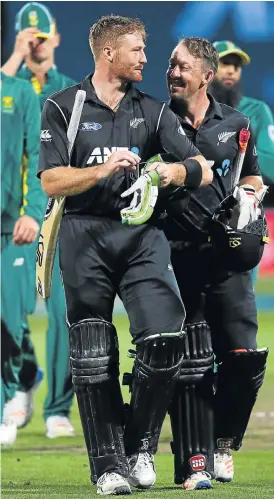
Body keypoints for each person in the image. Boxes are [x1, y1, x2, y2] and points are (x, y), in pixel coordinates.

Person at [38, 15, 213, 496]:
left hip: (141, 239)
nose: (145, 59)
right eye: (136, 50)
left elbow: (200, 167)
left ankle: (139, 448)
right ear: (108, 53)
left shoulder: (155, 112)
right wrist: (102, 171)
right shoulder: (63, 106)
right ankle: (107, 468)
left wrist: (165, 174)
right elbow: (51, 181)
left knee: (164, 339)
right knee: (92, 353)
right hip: (82, 235)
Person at [162, 37, 268, 490]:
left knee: (244, 358)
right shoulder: (153, 119)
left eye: (181, 66)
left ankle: (224, 442)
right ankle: (192, 461)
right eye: (170, 64)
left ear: (206, 76)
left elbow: (253, 176)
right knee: (188, 365)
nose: (172, 72)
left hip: (228, 259)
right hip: (176, 255)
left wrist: (250, 198)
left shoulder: (238, 122)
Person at [1, 2, 77, 438]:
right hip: (13, 217)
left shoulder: (72, 91)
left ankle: (57, 409)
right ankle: (24, 376)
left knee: (65, 313)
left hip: (60, 216)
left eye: (42, 36)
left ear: (56, 38)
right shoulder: (7, 87)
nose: (35, 43)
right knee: (8, 312)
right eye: (27, 36)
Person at [0, 69, 42, 446]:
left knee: (10, 320)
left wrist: (32, 210)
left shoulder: (18, 92)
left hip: (11, 226)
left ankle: (12, 390)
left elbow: (35, 153)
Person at [210, 40, 274, 186]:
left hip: (247, 192)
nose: (231, 70)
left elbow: (270, 161)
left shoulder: (257, 110)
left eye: (237, 66)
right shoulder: (192, 110)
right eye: (224, 63)